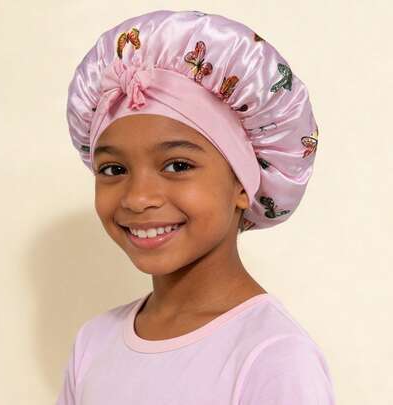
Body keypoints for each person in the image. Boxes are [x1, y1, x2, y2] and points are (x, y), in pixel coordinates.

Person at [57, 9, 335, 404]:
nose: (138, 197)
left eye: (177, 165)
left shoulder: (272, 358)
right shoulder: (93, 342)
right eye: (114, 169)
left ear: (243, 183)